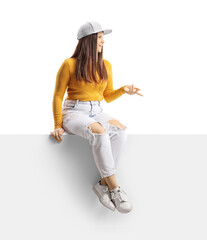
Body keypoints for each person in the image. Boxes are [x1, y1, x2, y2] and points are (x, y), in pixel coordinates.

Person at [50, 22, 142, 214]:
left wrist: (124, 90)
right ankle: (115, 189)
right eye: (100, 37)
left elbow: (107, 96)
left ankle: (102, 185)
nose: (103, 41)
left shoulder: (106, 65)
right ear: (89, 41)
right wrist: (58, 124)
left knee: (120, 130)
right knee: (99, 132)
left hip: (96, 110)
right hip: (74, 112)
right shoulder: (69, 64)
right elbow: (58, 95)